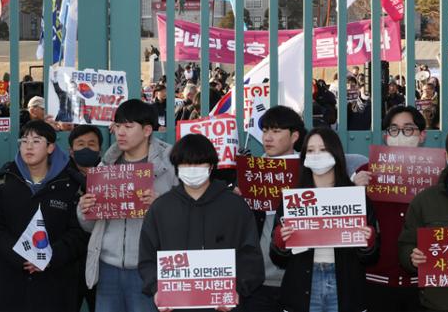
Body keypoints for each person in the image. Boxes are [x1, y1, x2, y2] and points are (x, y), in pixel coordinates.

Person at [139, 133, 265, 311]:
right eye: (186, 163)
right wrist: (157, 289)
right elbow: (147, 258)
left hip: (223, 305)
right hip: (175, 304)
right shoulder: (161, 208)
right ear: (177, 167)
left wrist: (237, 289)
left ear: (211, 166)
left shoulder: (235, 207)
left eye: (199, 163)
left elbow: (250, 256)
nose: (192, 169)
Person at [77, 99, 178, 312]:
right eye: (118, 126)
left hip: (151, 268)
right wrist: (84, 209)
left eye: (129, 127)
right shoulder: (107, 164)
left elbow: (187, 214)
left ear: (147, 130)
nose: (120, 132)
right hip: (107, 267)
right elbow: (90, 227)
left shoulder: (171, 163)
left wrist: (161, 205)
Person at [0, 120, 88, 312]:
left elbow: (78, 233)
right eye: (24, 140)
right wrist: (19, 255)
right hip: (12, 278)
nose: (28, 146)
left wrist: (49, 257)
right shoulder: (4, 180)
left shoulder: (70, 184)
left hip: (55, 281)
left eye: (36, 141)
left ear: (50, 148)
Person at [270, 127, 379, 312]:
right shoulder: (293, 200)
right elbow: (278, 259)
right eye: (311, 151)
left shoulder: (356, 197)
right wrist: (280, 243)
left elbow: (371, 257)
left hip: (345, 285)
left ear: (335, 153)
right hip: (302, 285)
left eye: (323, 149)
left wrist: (368, 243)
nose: (317, 155)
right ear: (304, 157)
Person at [351, 105, 425, 312]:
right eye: (393, 129)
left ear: (422, 135)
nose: (400, 135)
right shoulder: (366, 173)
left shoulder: (437, 175)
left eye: (408, 129)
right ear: (385, 136)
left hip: (422, 284)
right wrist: (353, 189)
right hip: (375, 282)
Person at [246, 105, 306, 312]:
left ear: (294, 136)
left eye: (276, 131)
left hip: (299, 276)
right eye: (265, 131)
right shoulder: (251, 171)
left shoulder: (308, 171)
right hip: (258, 278)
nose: (268, 137)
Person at [398, 125, 448, 311]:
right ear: (447, 156)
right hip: (439, 304)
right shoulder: (424, 200)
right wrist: (412, 257)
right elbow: (405, 245)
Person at [68, 124, 103, 312]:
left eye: (92, 144)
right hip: (68, 263)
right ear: (71, 151)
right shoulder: (59, 177)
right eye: (80, 144)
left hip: (101, 263)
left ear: (100, 150)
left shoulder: (112, 177)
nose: (86, 148)